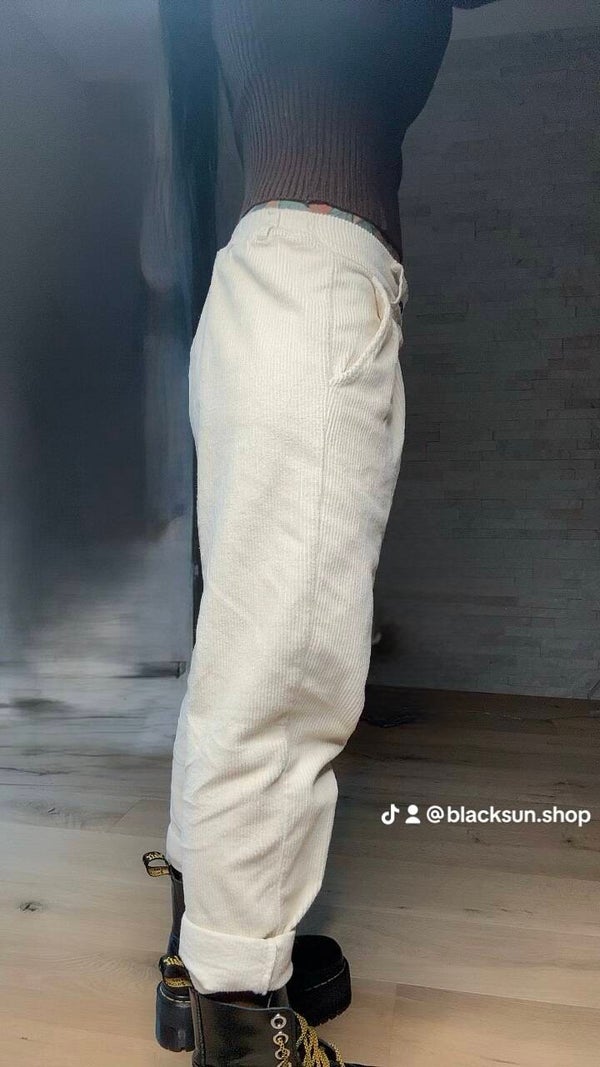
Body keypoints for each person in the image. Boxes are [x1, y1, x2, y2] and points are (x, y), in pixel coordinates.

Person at [147, 2, 502, 1065]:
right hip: (312, 284)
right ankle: (242, 1024)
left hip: (276, 276)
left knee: (248, 651)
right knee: (286, 670)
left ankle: (206, 957)